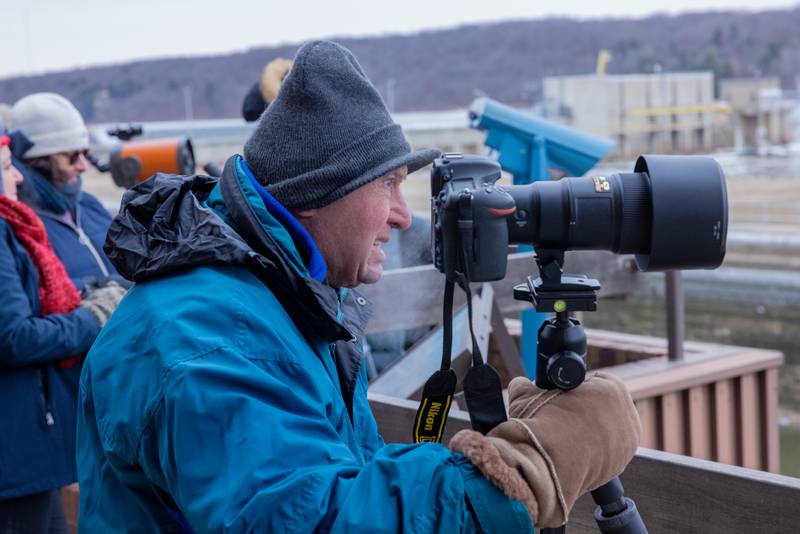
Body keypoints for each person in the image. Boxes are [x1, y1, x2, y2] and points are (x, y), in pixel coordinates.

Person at [77, 41, 640, 532]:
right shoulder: (212, 339)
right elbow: (311, 519)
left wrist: (486, 461)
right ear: (321, 193)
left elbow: (341, 471)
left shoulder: (281, 292)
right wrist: (519, 475)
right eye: (390, 184)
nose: (402, 215)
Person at [0, 126, 123, 532]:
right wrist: (93, 316)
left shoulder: (23, 225)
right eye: (5, 167)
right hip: (14, 456)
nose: (16, 176)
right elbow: (14, 338)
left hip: (31, 451)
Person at [8, 93, 119, 292]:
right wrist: (94, 291)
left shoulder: (89, 205)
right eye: (72, 156)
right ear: (38, 160)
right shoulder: (20, 227)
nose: (83, 166)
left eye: (85, 154)